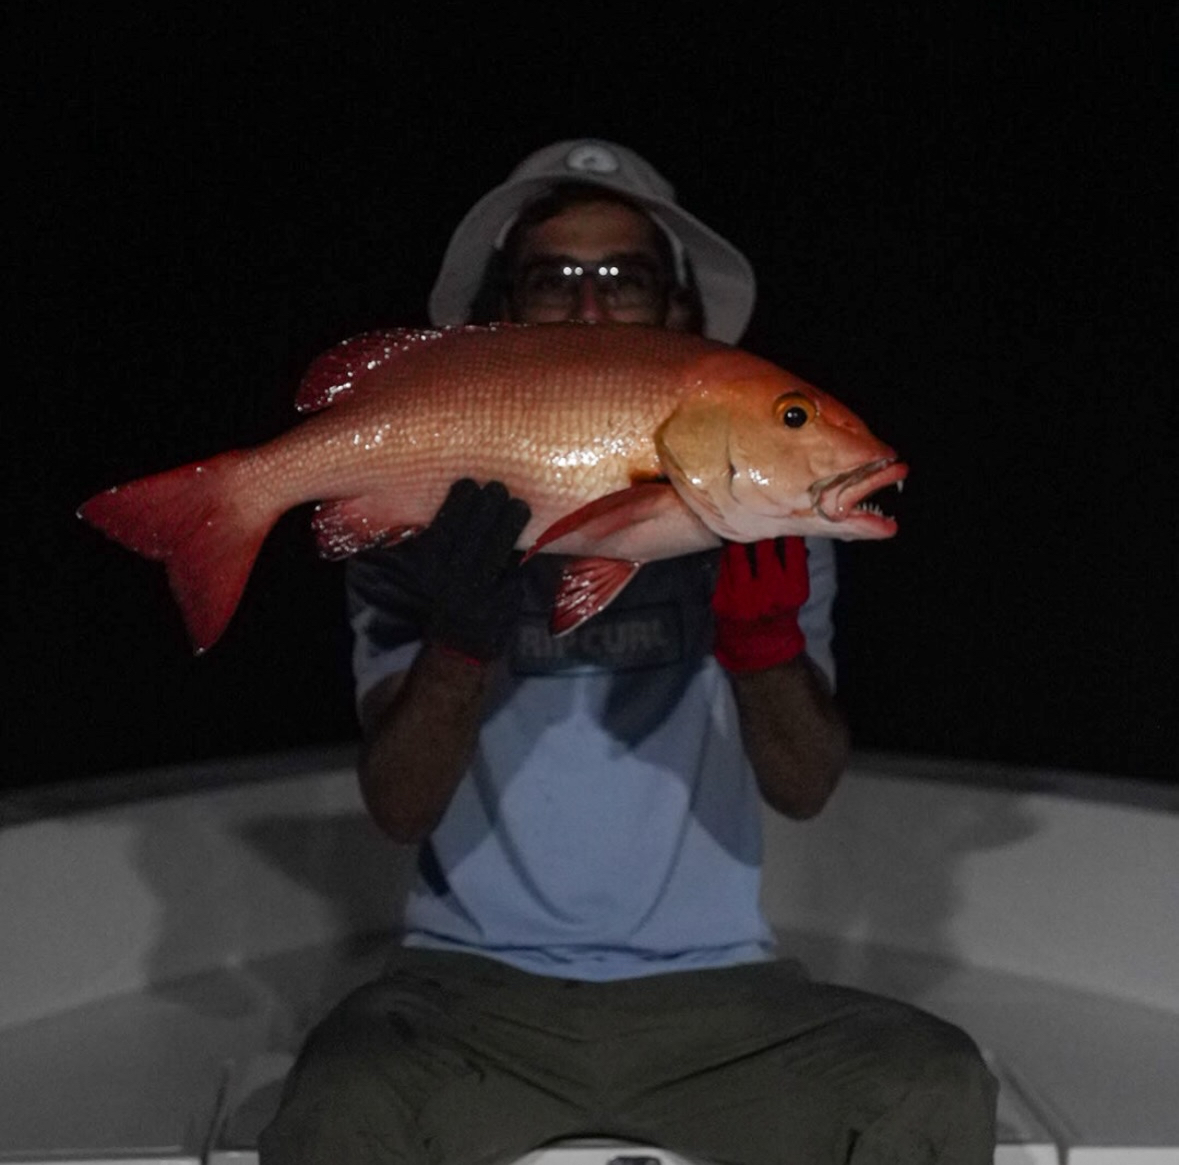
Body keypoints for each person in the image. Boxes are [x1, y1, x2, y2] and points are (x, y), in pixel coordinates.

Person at [260, 139, 997, 1164]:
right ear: (503, 310)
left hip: (716, 997)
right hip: (463, 995)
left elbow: (804, 786)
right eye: (552, 278)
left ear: (680, 310)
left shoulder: (773, 531)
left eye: (625, 276)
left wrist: (762, 644)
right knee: (335, 1106)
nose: (590, 305)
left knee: (934, 1081)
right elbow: (398, 806)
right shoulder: (421, 532)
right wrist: (459, 636)